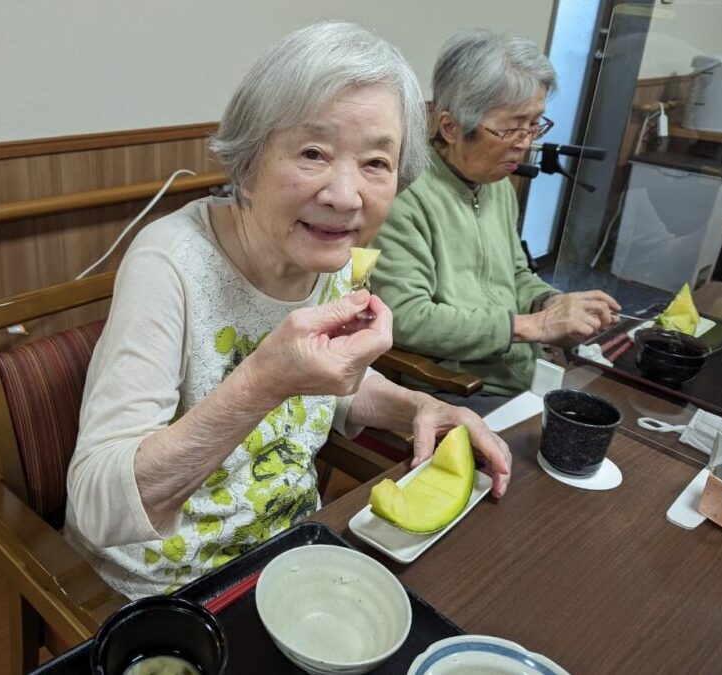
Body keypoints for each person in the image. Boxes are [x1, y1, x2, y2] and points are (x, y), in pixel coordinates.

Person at [64, 22, 511, 600]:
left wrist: (420, 406)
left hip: (293, 551)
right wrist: (263, 380)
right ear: (248, 161)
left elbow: (330, 384)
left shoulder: (334, 257)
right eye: (313, 153)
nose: (345, 196)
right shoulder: (168, 261)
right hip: (164, 588)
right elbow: (100, 506)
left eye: (376, 163)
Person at [370, 30, 621, 415]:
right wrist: (534, 326)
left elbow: (515, 274)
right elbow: (406, 319)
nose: (525, 143)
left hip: (517, 371)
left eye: (535, 124)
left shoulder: (495, 183)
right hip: (454, 390)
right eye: (511, 127)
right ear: (451, 127)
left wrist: (552, 302)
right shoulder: (404, 194)